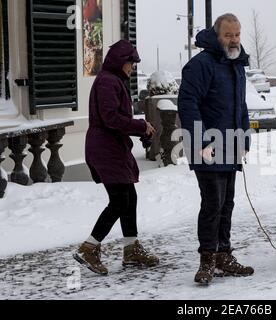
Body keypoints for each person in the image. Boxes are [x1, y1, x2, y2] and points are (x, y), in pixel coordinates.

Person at [178, 13, 254, 285]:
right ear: (216, 35)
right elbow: (188, 105)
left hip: (230, 144)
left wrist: (244, 139)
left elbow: (240, 107)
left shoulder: (236, 64)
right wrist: (201, 143)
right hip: (208, 146)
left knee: (228, 203)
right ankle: (207, 259)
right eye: (228, 35)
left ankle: (224, 255)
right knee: (213, 204)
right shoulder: (200, 65)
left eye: (237, 35)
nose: (233, 40)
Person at [73, 40, 159, 276]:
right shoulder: (108, 82)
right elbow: (110, 118)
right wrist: (140, 126)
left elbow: (115, 119)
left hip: (112, 147)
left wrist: (140, 128)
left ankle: (131, 249)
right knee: (120, 200)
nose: (133, 67)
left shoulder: (112, 81)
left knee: (128, 196)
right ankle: (89, 248)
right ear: (121, 61)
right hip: (106, 149)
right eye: (131, 62)